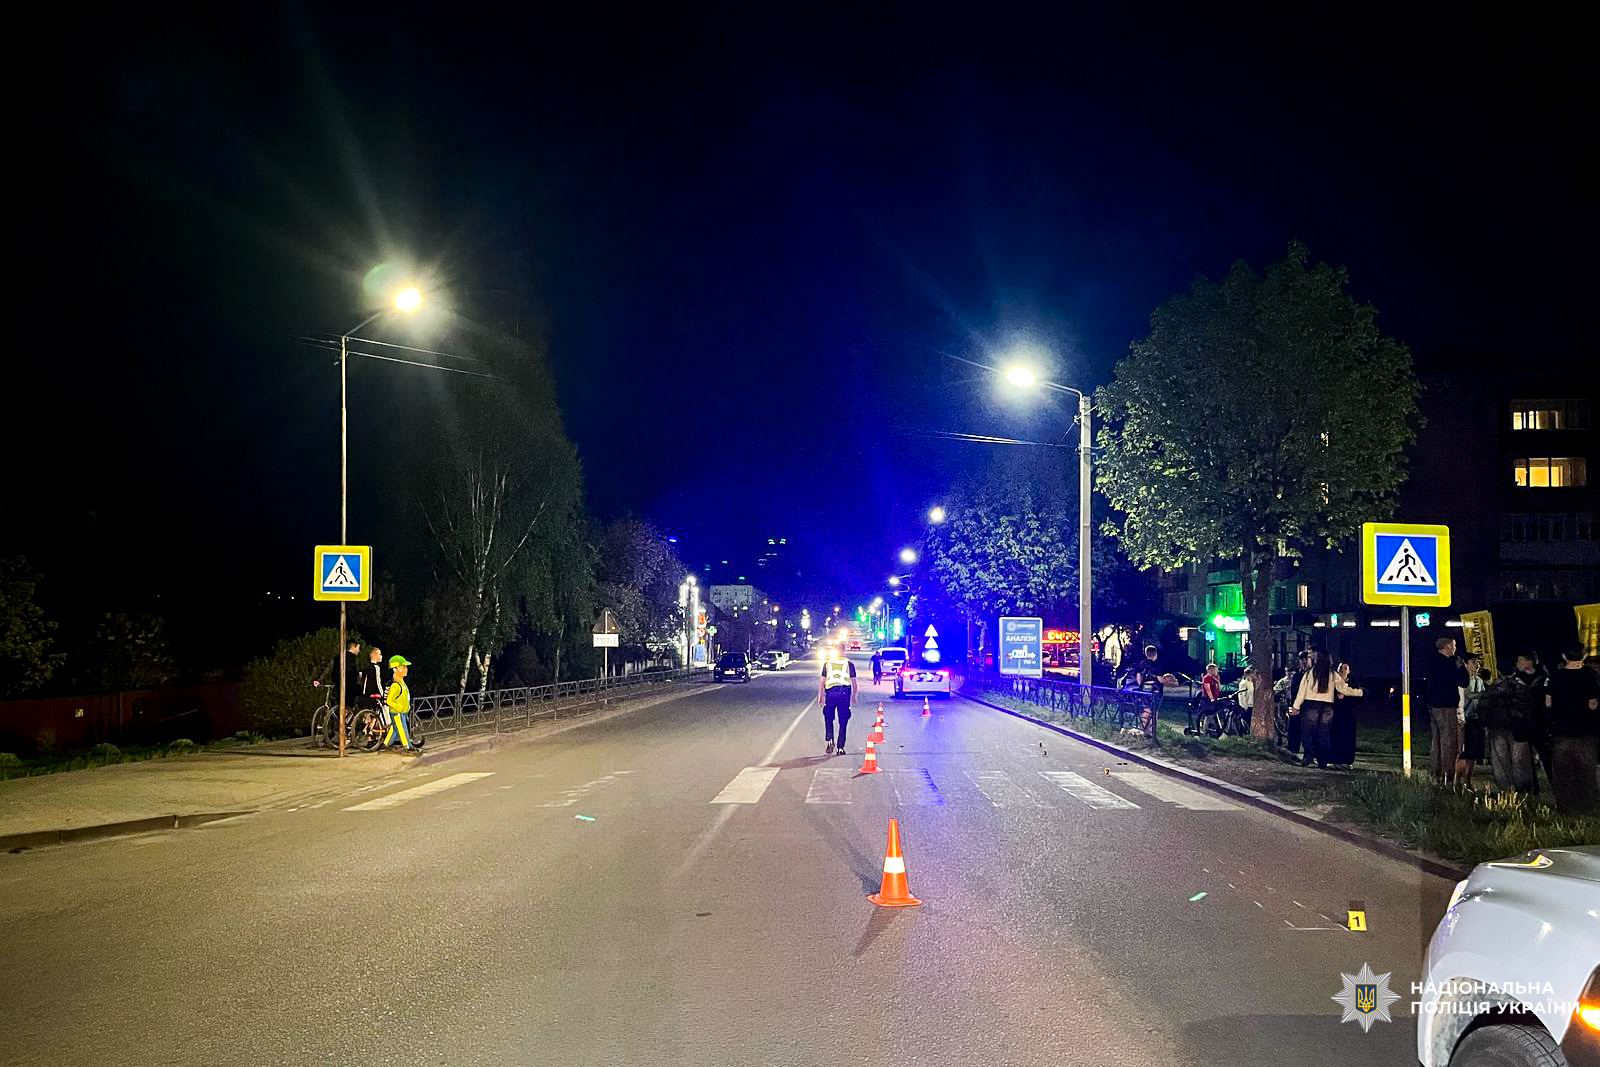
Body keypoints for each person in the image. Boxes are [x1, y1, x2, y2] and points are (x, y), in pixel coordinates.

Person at [1544, 647, 1600, 814]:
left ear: (1564, 656)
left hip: (1561, 730)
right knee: (1586, 772)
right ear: (1584, 655)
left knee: (1563, 773)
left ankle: (1566, 808)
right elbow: (1593, 703)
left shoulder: (1555, 676)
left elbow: (1548, 702)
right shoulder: (1590, 675)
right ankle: (1587, 807)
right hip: (1585, 730)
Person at [1291, 649, 1363, 768]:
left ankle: (1308, 756)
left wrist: (1295, 707)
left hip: (1311, 705)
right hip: (1327, 706)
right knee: (1324, 734)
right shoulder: (1332, 674)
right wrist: (1360, 692)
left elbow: (1301, 692)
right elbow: (1343, 689)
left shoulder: (1310, 674)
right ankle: (1323, 760)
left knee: (1308, 732)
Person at [1480, 656, 1538, 794]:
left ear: (1498, 670)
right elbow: (1530, 708)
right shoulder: (1522, 687)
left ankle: (1506, 790)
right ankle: (1523, 790)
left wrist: (1486, 724)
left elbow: (1484, 708)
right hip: (1519, 728)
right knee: (1520, 761)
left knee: (1501, 761)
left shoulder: (1492, 688)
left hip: (1497, 728)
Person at [1425, 637, 1468, 783]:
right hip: (1447, 705)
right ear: (1448, 646)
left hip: (1434, 705)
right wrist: (1461, 667)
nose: (1455, 648)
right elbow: (1463, 682)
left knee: (1436, 740)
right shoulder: (1450, 663)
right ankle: (1447, 773)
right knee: (1449, 740)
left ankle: (1436, 771)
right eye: (1454, 646)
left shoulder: (1431, 661)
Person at [818, 647, 858, 756]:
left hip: (830, 693)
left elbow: (822, 681)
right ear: (844, 651)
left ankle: (830, 739)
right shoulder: (849, 664)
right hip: (844, 694)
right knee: (843, 720)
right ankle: (840, 747)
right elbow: (854, 682)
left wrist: (821, 696)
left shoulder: (828, 663)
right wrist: (854, 696)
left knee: (828, 717)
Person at [1455, 654, 1486, 786]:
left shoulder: (1479, 681)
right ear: (1466, 664)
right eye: (1474, 662)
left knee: (1473, 752)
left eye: (1478, 663)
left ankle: (1467, 780)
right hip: (1464, 719)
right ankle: (1457, 780)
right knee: (1463, 751)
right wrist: (1484, 694)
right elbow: (1468, 695)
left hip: (1476, 719)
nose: (1477, 665)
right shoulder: (1462, 680)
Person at [382, 654, 422, 752]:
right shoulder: (395, 685)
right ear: (394, 669)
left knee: (395, 729)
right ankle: (408, 746)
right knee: (403, 729)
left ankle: (386, 744)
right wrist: (399, 707)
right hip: (397, 712)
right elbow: (389, 700)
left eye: (405, 667)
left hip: (402, 712)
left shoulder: (402, 683)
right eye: (402, 667)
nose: (406, 669)